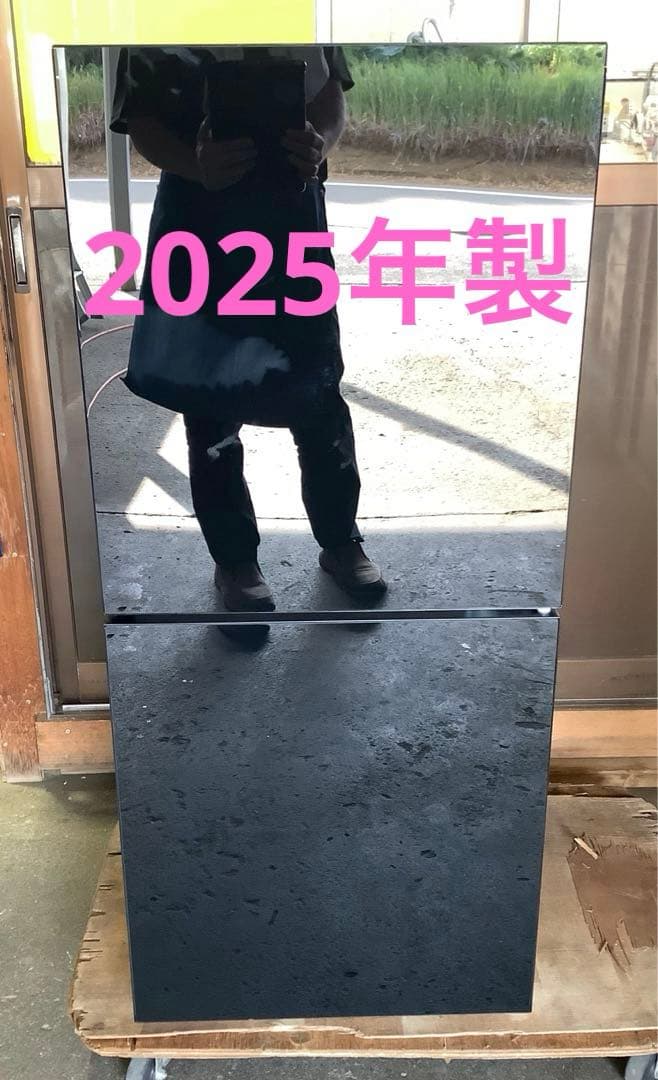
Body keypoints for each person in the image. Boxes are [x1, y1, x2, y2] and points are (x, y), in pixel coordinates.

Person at [110, 46, 386, 611]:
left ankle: (341, 542)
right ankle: (235, 562)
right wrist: (195, 163)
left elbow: (330, 93)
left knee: (318, 391)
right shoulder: (156, 19)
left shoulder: (306, 14)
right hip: (199, 220)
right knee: (210, 397)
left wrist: (321, 141)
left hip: (293, 218)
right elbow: (141, 122)